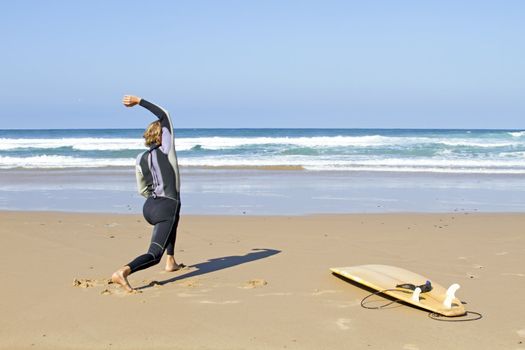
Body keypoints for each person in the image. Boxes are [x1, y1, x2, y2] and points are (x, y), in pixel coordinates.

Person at [112, 95, 184, 292]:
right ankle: (123, 272)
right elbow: (165, 114)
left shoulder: (140, 158)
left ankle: (171, 261)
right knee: (154, 254)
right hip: (165, 206)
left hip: (150, 207)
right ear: (162, 136)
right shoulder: (166, 150)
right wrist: (139, 101)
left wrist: (156, 202)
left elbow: (142, 189)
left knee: (174, 215)